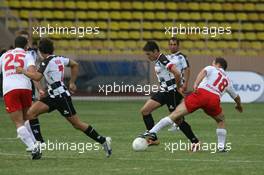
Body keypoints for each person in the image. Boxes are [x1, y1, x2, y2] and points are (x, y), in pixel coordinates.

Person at [16, 38, 112, 158]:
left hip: (61, 97)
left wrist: (22, 71)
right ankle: (39, 144)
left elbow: (36, 77)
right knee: (30, 113)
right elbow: (74, 64)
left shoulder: (46, 62)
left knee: (77, 124)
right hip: (52, 95)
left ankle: (103, 140)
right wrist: (72, 82)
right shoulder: (59, 58)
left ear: (41, 51)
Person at [144, 57, 243, 152]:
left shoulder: (212, 68)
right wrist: (239, 105)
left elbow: (204, 72)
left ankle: (153, 131)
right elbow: (236, 97)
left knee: (175, 115)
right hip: (214, 100)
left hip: (201, 94)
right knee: (221, 120)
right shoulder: (228, 81)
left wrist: (196, 83)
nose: (212, 64)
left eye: (213, 62)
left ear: (217, 64)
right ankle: (221, 147)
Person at [140, 40, 199, 148]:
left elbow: (176, 73)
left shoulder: (163, 59)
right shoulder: (158, 60)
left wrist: (177, 87)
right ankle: (153, 138)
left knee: (178, 120)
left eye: (148, 54)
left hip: (172, 92)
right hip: (163, 91)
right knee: (145, 111)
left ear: (155, 51)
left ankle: (195, 141)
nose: (147, 57)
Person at [0, 36, 41, 159]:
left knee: (18, 123)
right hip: (25, 88)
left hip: (10, 89)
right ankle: (35, 143)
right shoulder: (27, 55)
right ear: (26, 46)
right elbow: (33, 74)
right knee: (26, 118)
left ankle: (33, 148)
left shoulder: (4, 55)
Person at [16, 30, 46, 148]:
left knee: (31, 111)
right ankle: (35, 139)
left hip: (30, 83)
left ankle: (33, 136)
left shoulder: (32, 53)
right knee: (29, 112)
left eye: (26, 38)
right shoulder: (18, 53)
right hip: (22, 85)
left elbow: (34, 69)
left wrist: (38, 87)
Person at [166, 37, 191, 132]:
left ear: (178, 45)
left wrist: (185, 83)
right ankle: (178, 124)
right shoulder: (167, 57)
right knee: (173, 106)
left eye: (174, 44)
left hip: (179, 85)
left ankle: (177, 124)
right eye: (171, 44)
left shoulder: (181, 57)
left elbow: (187, 69)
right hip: (170, 85)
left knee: (175, 106)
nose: (172, 46)